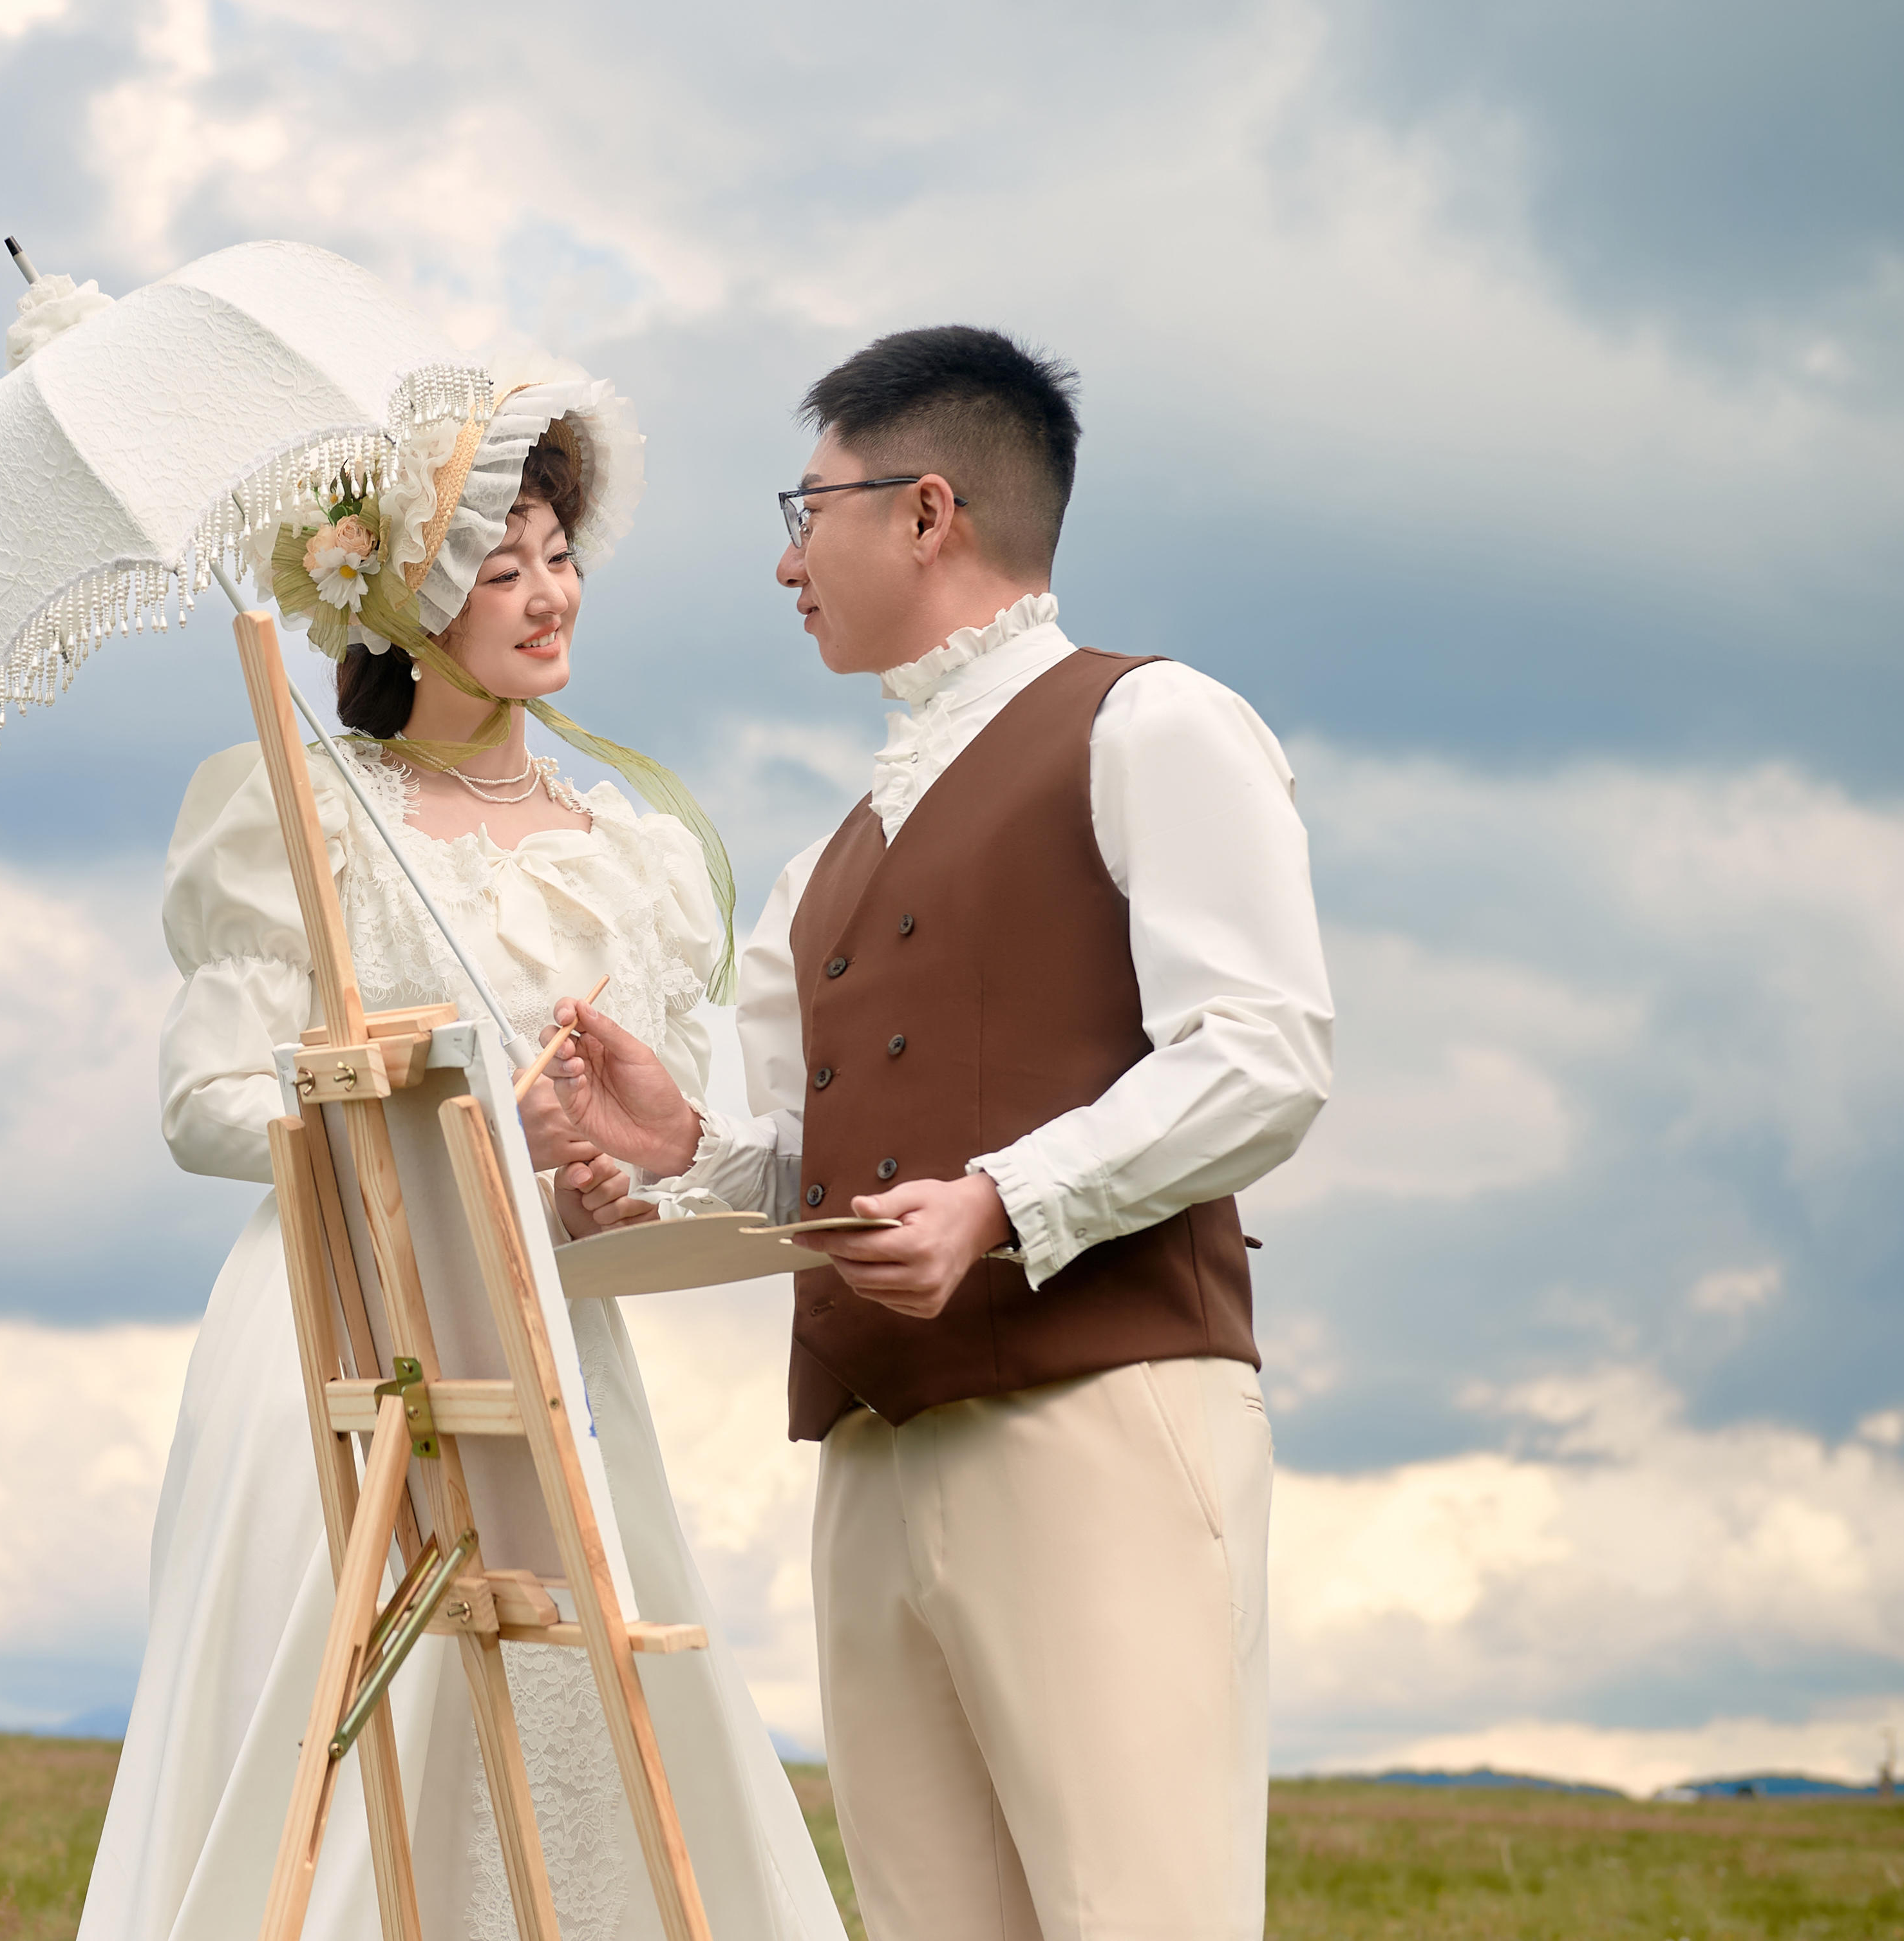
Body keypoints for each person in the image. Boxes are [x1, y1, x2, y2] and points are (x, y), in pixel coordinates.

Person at [549, 327, 1335, 1939]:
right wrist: (684, 1144)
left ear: (927, 511)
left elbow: (1266, 1054)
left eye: (806, 509)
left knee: (1141, 1914)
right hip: (871, 1452)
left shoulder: (1155, 722)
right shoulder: (827, 859)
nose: (784, 563)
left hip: (1097, 1412)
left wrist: (1002, 1201)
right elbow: (820, 1160)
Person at [78, 360, 846, 1941]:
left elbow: (660, 1127)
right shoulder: (298, 811)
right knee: (348, 1762)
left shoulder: (633, 852)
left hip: (551, 1337)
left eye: (560, 556)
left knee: (584, 1747)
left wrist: (602, 1177)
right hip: (341, 1335)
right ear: (404, 599)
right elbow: (205, 1101)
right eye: (502, 568)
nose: (549, 594)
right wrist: (446, 1116)